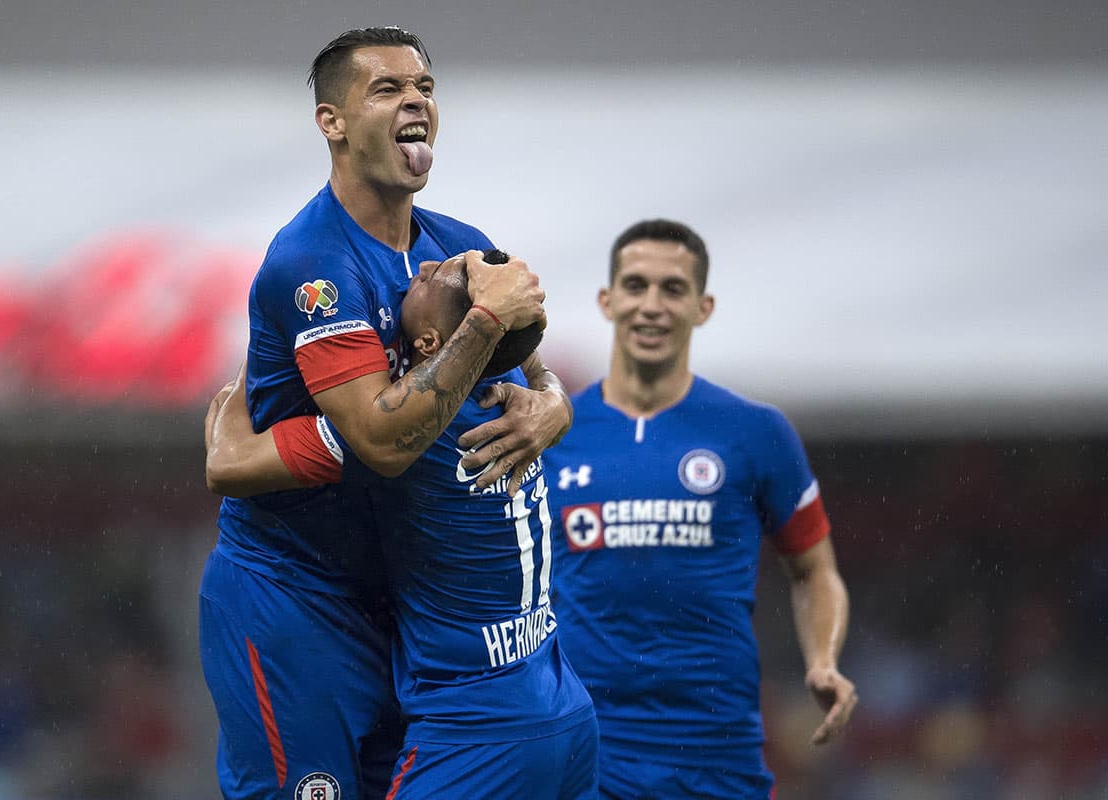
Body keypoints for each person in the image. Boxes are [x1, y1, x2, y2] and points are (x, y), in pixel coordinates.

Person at [198, 27, 572, 800]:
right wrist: (482, 325)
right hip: (294, 597)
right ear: (331, 121)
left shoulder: (458, 245)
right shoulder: (313, 265)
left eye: (426, 89)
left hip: (400, 606)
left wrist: (555, 408)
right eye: (388, 89)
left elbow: (537, 373)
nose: (415, 103)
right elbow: (382, 441)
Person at [206, 250, 597, 799]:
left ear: (436, 345)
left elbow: (228, 463)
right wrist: (556, 397)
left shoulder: (406, 434)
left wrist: (245, 382)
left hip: (476, 732)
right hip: (560, 703)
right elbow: (529, 361)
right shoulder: (510, 397)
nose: (425, 267)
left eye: (440, 277)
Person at [543, 219, 857, 799]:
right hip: (585, 745)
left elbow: (815, 570)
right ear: (607, 301)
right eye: (635, 286)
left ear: (703, 307)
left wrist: (823, 660)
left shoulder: (755, 432)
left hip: (715, 749)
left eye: (673, 289)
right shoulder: (551, 432)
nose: (652, 306)